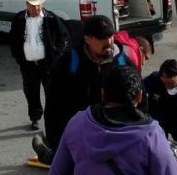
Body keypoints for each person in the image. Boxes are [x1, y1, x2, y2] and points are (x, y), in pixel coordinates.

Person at [45, 65, 177, 175]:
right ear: (139, 96)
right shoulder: (150, 134)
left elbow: (58, 172)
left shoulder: (78, 123)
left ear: (103, 94)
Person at [35, 15, 136, 163]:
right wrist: (57, 143)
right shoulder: (67, 65)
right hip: (80, 138)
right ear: (88, 39)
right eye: (101, 38)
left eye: (110, 36)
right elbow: (54, 109)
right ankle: (46, 153)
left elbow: (140, 102)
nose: (108, 42)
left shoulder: (124, 63)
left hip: (115, 138)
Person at [8, 0, 69, 129]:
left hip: (47, 64)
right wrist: (19, 58)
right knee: (31, 93)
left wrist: (56, 55)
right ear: (27, 5)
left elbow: (63, 37)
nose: (35, 8)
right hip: (28, 65)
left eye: (38, 5)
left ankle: (53, 118)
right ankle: (35, 117)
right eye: (32, 5)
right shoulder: (18, 19)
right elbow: (13, 40)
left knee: (52, 92)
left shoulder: (52, 18)